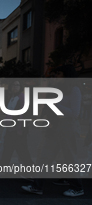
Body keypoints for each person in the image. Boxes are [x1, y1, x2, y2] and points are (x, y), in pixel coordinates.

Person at [22, 65, 84, 197]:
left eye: (59, 74)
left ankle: (77, 188)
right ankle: (36, 187)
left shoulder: (74, 90)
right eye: (55, 74)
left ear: (67, 76)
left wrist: (54, 104)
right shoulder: (58, 89)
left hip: (68, 129)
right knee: (44, 157)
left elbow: (74, 113)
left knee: (70, 159)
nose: (56, 77)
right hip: (55, 128)